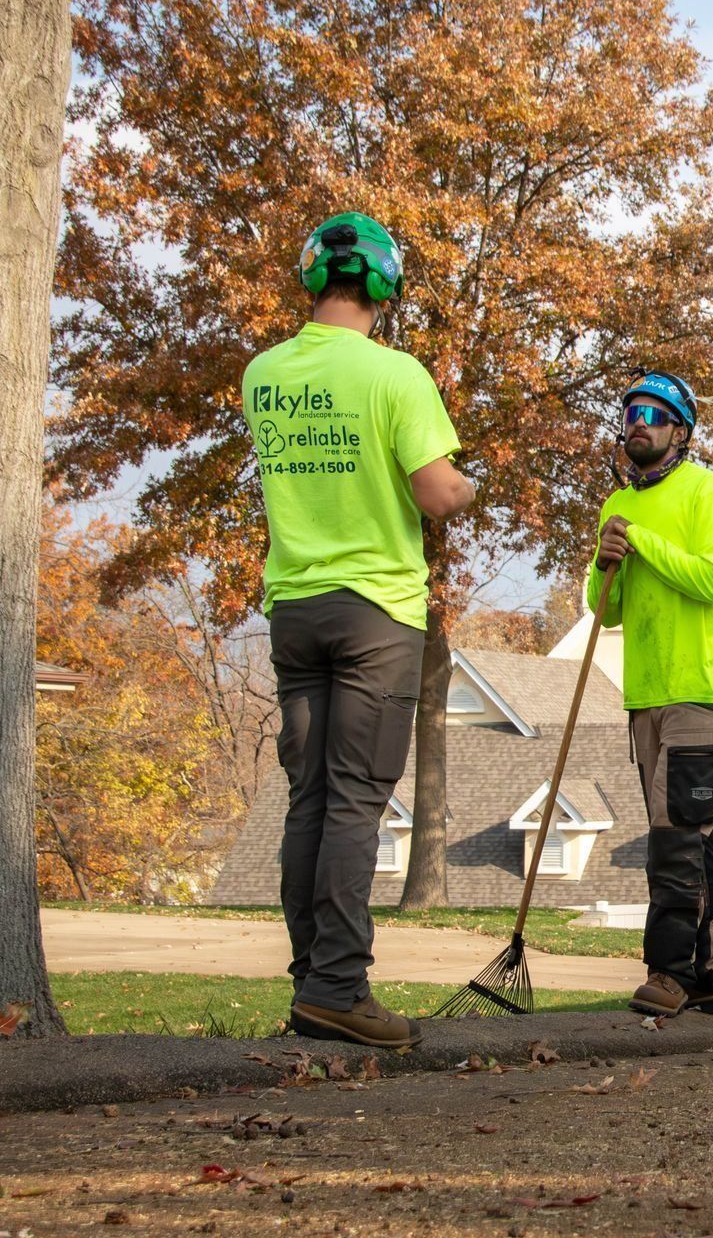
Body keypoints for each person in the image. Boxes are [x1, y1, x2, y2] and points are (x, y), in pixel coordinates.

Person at [243, 212, 474, 1048]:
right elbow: (438, 494)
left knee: (309, 799)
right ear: (385, 284)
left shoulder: (261, 374)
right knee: (354, 801)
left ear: (312, 277)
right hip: (376, 611)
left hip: (294, 609)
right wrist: (467, 483)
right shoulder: (396, 375)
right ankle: (339, 987)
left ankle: (311, 979)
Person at [586, 372, 713, 1018]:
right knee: (694, 835)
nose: (638, 422)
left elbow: (711, 582)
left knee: (674, 834)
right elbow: (610, 610)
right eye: (630, 412)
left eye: (654, 413)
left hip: (702, 689)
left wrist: (642, 543)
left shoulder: (709, 491)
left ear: (681, 430)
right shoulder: (614, 506)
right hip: (645, 693)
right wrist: (606, 564)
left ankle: (668, 971)